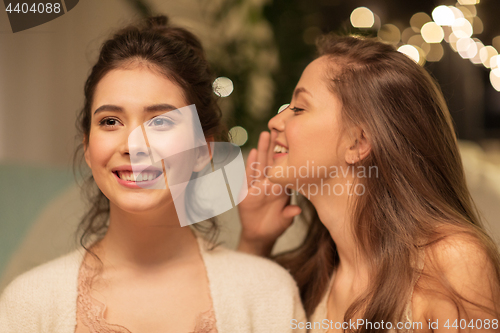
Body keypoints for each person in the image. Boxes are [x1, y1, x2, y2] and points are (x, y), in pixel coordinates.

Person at [0, 15, 305, 333]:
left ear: (203, 150)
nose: (134, 146)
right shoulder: (29, 304)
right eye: (110, 122)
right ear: (88, 149)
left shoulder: (268, 294)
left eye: (160, 121)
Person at [238, 35, 500, 332]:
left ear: (358, 142)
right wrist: (255, 240)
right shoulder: (308, 277)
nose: (275, 121)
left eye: (298, 108)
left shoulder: (452, 263)